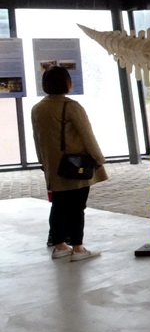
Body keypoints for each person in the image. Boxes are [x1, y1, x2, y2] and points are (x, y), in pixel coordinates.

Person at [31, 66, 108, 261]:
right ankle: (78, 248)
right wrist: (98, 159)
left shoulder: (38, 108)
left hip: (53, 165)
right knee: (77, 206)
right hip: (74, 165)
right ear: (66, 82)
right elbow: (86, 135)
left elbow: (37, 138)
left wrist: (43, 162)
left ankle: (59, 245)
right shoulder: (71, 106)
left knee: (59, 205)